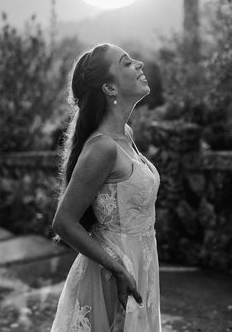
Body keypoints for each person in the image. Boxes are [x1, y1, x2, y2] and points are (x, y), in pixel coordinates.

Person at [50, 43, 162, 331]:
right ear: (110, 89)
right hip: (111, 273)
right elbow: (64, 221)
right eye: (126, 63)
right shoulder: (102, 147)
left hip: (143, 261)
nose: (138, 64)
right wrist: (117, 267)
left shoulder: (126, 134)